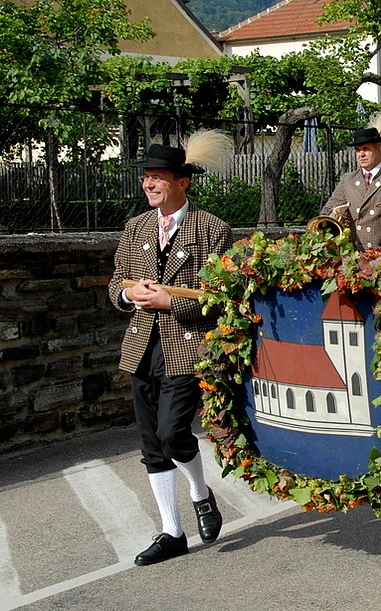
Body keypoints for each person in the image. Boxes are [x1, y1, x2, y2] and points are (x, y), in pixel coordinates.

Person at [108, 133, 233, 566]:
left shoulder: (213, 230)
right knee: (151, 443)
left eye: (157, 178)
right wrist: (130, 296)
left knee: (172, 432)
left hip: (187, 346)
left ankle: (201, 493)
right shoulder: (135, 228)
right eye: (146, 178)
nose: (148, 185)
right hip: (142, 347)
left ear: (183, 182)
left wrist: (171, 300)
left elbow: (221, 297)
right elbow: (115, 285)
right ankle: (171, 532)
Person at [319, 126, 381, 270]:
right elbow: (328, 210)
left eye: (365, 149)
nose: (361, 154)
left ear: (379, 150)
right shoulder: (348, 180)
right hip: (355, 261)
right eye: (358, 150)